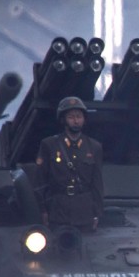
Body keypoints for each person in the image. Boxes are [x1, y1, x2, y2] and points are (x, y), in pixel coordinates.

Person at [35, 96, 104, 231]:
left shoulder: (94, 147)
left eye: (79, 117)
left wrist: (97, 213)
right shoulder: (49, 145)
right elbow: (40, 181)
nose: (76, 121)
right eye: (71, 117)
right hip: (58, 210)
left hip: (84, 211)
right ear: (63, 120)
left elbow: (97, 183)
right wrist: (43, 210)